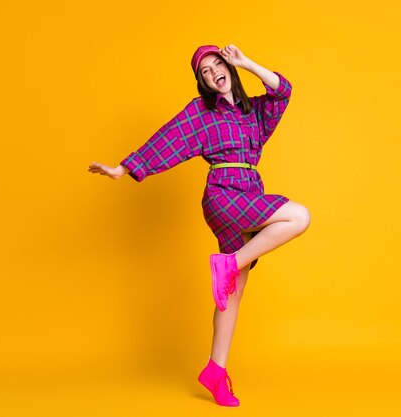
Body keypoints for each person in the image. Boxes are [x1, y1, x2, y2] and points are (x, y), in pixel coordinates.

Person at [88, 44, 310, 407]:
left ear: (228, 66)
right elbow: (167, 138)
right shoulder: (202, 113)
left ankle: (216, 372)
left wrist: (246, 62)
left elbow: (283, 91)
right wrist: (123, 169)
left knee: (232, 292)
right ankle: (227, 264)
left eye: (216, 64)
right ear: (202, 83)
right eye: (204, 71)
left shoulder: (255, 112)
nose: (213, 73)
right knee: (299, 216)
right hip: (223, 194)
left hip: (250, 190)